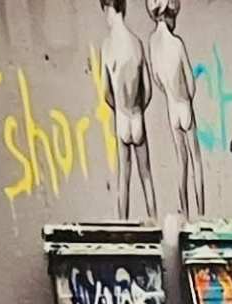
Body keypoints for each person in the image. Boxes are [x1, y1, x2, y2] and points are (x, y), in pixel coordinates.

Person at [147, 0, 206, 223]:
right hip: (184, 106)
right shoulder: (177, 44)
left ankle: (185, 213)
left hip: (171, 108)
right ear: (170, 14)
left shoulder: (153, 44)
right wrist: (185, 92)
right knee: (196, 161)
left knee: (182, 163)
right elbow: (191, 84)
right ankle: (200, 214)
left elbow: (156, 79)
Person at [100, 0, 156, 219]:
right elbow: (148, 89)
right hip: (137, 116)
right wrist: (138, 107)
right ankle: (154, 222)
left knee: (124, 179)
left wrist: (119, 108)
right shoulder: (136, 43)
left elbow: (106, 91)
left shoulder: (108, 46)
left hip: (122, 118)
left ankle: (122, 226)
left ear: (108, 9)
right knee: (146, 176)